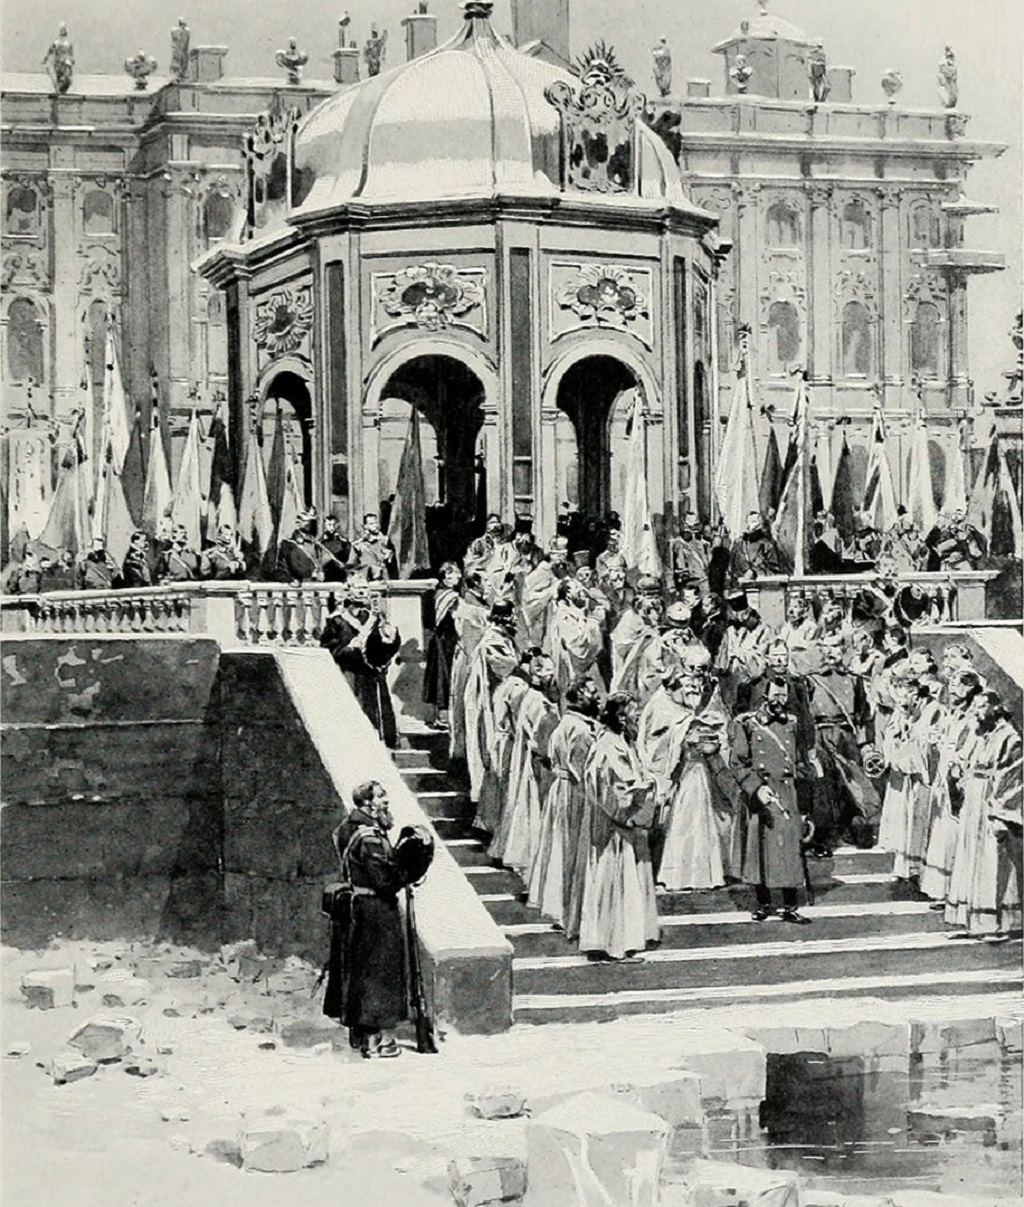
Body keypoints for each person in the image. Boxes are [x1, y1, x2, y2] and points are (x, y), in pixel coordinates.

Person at [323, 781, 426, 1058]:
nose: (386, 801)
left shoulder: (347, 829)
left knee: (360, 973)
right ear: (367, 804)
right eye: (381, 797)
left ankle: (363, 1038)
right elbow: (385, 880)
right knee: (382, 975)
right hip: (377, 911)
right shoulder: (370, 837)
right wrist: (413, 866)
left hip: (358, 909)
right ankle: (383, 1042)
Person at [578, 693, 660, 961]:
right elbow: (620, 789)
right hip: (615, 825)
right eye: (635, 711)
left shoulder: (620, 741)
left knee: (619, 880)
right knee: (614, 879)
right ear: (621, 716)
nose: (639, 715)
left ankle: (620, 939)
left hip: (617, 822)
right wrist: (649, 788)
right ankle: (614, 943)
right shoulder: (610, 746)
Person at [642, 669, 738, 891]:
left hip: (705, 774)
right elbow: (659, 744)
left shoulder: (711, 709)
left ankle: (709, 874)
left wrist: (713, 745)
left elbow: (724, 737)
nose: (693, 690)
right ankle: (678, 876)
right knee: (683, 822)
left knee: (707, 822)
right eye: (688, 687)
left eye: (696, 686)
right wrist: (684, 740)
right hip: (683, 776)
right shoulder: (670, 712)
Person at [730, 677, 815, 924]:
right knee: (760, 852)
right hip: (762, 794)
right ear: (764, 696)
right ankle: (763, 903)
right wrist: (756, 788)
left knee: (789, 851)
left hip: (787, 795)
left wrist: (805, 807)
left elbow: (802, 764)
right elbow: (738, 762)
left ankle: (790, 906)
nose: (780, 701)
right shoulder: (747, 724)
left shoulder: (793, 723)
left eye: (783, 696)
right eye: (776, 695)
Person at [944, 692, 1022, 940]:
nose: (975, 712)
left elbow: (1012, 779)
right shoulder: (982, 734)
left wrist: (999, 814)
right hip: (973, 804)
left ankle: (996, 924)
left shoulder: (1010, 737)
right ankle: (972, 922)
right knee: (970, 859)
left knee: (993, 862)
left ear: (995, 709)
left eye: (980, 707)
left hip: (991, 806)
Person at [529, 678, 602, 935]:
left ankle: (565, 910)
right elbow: (583, 771)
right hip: (574, 793)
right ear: (580, 696)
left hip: (561, 790)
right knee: (573, 851)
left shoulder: (567, 724)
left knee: (562, 850)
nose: (598, 697)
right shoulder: (580, 730)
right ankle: (573, 913)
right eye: (593, 693)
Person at [803, 636, 879, 855]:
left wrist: (865, 745)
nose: (830, 651)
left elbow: (863, 716)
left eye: (835, 646)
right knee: (824, 786)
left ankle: (853, 830)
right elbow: (805, 715)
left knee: (852, 785)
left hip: (847, 737)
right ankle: (824, 837)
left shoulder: (854, 680)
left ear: (844, 650)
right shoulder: (811, 680)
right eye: (826, 646)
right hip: (821, 736)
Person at [489, 653, 559, 878]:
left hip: (526, 756)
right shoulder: (538, 702)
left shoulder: (530, 696)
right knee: (530, 807)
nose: (553, 681)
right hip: (536, 762)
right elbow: (542, 739)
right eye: (549, 675)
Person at [919, 667, 982, 904]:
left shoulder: (974, 717)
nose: (952, 688)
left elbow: (972, 746)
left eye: (957, 684)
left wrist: (957, 758)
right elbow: (943, 735)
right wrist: (935, 739)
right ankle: (940, 890)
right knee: (941, 830)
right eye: (952, 684)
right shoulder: (952, 713)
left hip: (959, 778)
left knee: (956, 832)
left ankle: (958, 892)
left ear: (969, 688)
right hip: (944, 776)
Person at [321, 584, 401, 748]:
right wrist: (349, 649)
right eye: (358, 588)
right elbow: (327, 651)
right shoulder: (336, 620)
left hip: (371, 676)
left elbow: (384, 649)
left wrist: (390, 641)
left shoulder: (374, 619)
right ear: (349, 592)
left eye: (365, 587)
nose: (363, 591)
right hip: (349, 675)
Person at [876, 663, 932, 882]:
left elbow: (928, 741)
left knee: (918, 819)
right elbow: (890, 735)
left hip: (919, 774)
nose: (900, 699)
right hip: (901, 773)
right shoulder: (900, 710)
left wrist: (910, 738)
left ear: (915, 691)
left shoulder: (931, 709)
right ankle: (903, 866)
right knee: (901, 819)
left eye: (904, 692)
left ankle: (919, 868)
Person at [463, 600, 518, 812]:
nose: (515, 619)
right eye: (512, 615)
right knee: (491, 752)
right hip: (489, 704)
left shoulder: (501, 638)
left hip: (495, 700)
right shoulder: (493, 640)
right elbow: (505, 667)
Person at [448, 571, 490, 764]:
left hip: (475, 659)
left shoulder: (480, 604)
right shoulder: (469, 608)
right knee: (467, 707)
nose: (489, 583)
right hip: (470, 662)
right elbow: (471, 641)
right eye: (486, 580)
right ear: (475, 584)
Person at [547, 577, 605, 699]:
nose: (580, 591)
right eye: (576, 588)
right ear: (568, 594)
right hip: (573, 666)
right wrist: (594, 622)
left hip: (584, 666)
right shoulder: (564, 615)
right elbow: (576, 642)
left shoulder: (574, 610)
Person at [423, 562, 461, 730]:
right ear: (445, 576)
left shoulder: (439, 594)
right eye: (453, 574)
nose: (457, 577)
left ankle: (442, 715)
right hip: (445, 641)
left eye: (457, 573)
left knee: (442, 676)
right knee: (443, 676)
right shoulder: (449, 596)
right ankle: (442, 716)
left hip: (442, 640)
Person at [729, 510, 789, 582]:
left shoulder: (768, 544)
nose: (754, 525)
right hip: (741, 583)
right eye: (751, 522)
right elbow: (733, 565)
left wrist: (754, 572)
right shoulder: (739, 544)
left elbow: (773, 567)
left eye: (756, 522)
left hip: (761, 582)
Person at [278, 511, 323, 583]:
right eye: (307, 521)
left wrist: (320, 573)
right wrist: (290, 580)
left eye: (311, 521)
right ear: (298, 523)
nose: (311, 524)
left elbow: (319, 563)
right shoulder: (288, 543)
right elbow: (284, 566)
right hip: (296, 584)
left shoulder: (315, 544)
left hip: (315, 584)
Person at [352, 513, 397, 581]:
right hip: (365, 576)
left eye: (376, 523)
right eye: (371, 524)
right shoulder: (359, 544)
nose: (375, 526)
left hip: (382, 576)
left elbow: (392, 563)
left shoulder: (385, 540)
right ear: (365, 526)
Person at [318, 514, 352, 582]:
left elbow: (346, 558)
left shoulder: (342, 542)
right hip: (325, 574)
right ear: (324, 526)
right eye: (329, 525)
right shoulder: (320, 543)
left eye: (334, 525)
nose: (332, 528)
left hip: (339, 573)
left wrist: (345, 543)